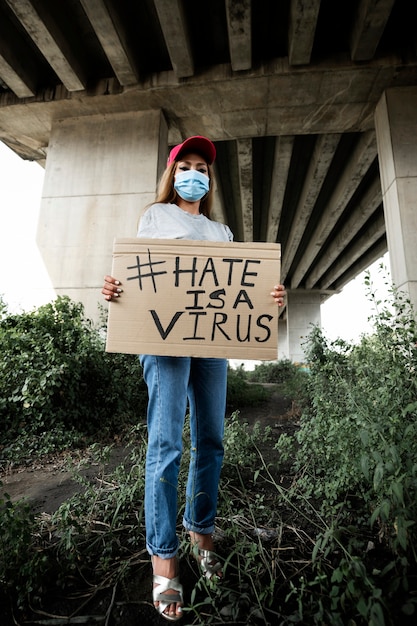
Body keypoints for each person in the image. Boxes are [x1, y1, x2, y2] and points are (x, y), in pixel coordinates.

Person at [102, 136, 286, 621]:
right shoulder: (155, 217)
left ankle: (200, 534)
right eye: (184, 165)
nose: (192, 172)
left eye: (200, 166)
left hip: (213, 342)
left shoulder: (221, 231)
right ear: (172, 173)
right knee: (166, 445)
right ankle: (163, 557)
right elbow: (141, 277)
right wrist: (117, 288)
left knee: (212, 439)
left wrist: (270, 298)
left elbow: (234, 287)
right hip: (164, 341)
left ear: (209, 177)